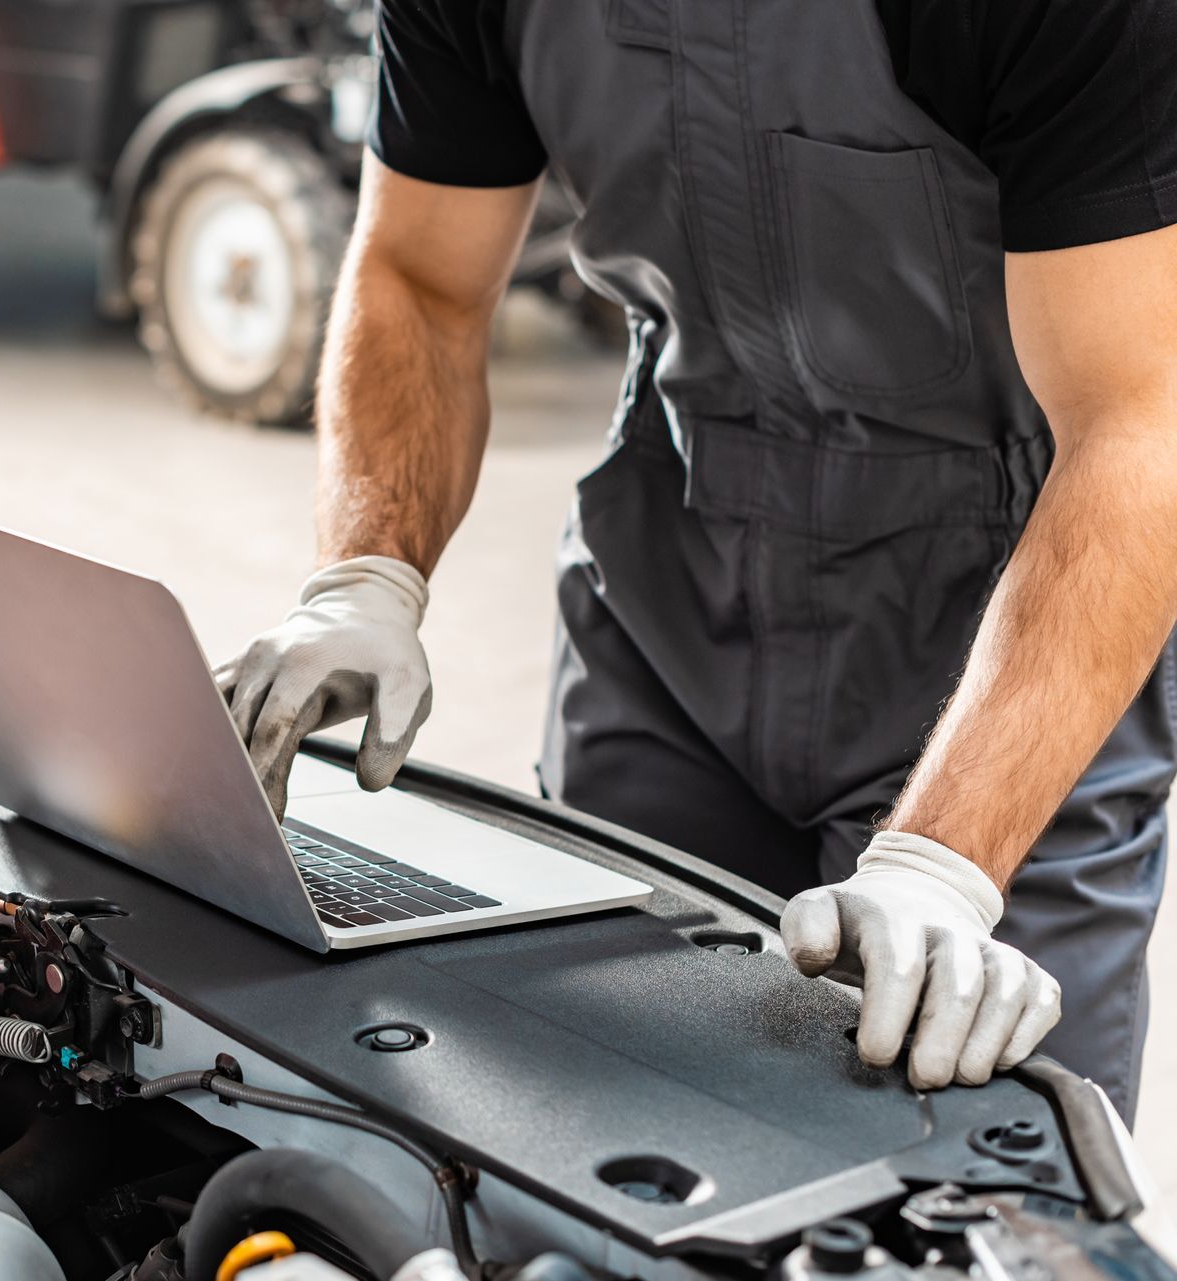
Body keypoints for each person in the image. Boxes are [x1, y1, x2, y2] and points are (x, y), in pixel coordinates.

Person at [217, 0, 1177, 1122]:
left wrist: (944, 867)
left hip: (1006, 623)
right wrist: (366, 578)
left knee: (959, 1164)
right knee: (581, 1112)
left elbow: (1138, 424)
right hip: (668, 596)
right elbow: (420, 281)